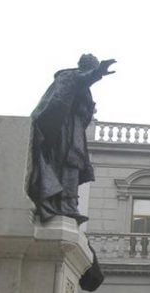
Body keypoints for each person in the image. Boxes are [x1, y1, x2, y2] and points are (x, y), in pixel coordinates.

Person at [28, 54, 115, 224]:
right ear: (86, 67)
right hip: (62, 128)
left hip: (73, 129)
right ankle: (62, 204)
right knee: (66, 163)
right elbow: (80, 80)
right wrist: (98, 73)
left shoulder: (79, 82)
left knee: (73, 163)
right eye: (92, 67)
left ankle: (69, 205)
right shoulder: (69, 75)